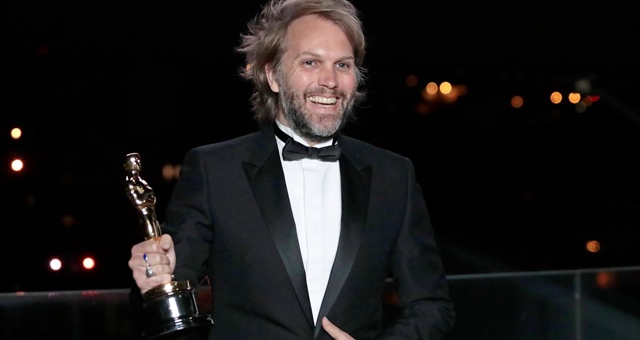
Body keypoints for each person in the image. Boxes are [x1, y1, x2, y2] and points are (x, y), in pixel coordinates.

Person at [129, 0, 455, 338]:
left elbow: (431, 306)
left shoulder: (393, 176)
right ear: (272, 75)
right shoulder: (215, 171)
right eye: (311, 62)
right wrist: (150, 278)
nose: (329, 80)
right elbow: (163, 299)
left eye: (342, 64)